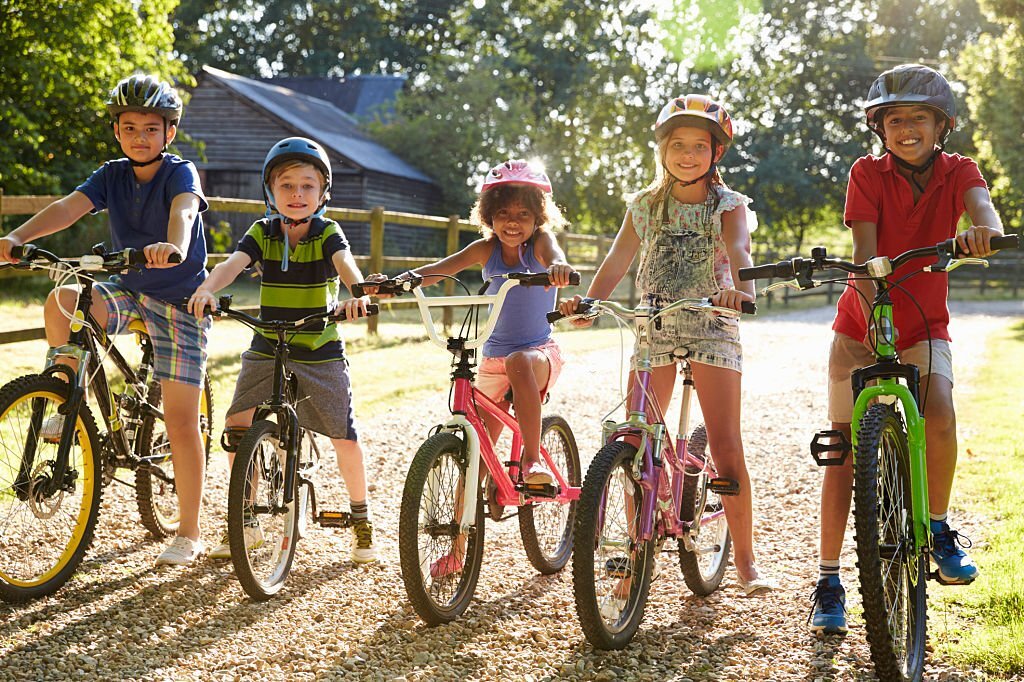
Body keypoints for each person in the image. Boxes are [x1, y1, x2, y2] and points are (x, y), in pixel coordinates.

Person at [809, 64, 1005, 635]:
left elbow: (983, 210)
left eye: (918, 117)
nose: (906, 128)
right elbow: (867, 252)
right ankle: (827, 577)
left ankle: (939, 527)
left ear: (941, 125)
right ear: (880, 128)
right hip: (859, 324)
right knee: (843, 449)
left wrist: (983, 233)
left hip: (924, 323)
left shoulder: (959, 170)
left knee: (939, 410)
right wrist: (873, 309)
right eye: (894, 120)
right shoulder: (865, 173)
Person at [559, 94, 772, 596]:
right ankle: (632, 557)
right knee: (637, 442)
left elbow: (740, 252)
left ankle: (745, 558)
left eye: (699, 146)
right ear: (662, 149)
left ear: (715, 153)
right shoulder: (645, 205)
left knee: (724, 443)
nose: (688, 155)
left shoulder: (729, 206)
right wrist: (590, 303)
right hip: (654, 325)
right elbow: (616, 261)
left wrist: (743, 292)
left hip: (712, 322)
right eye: (678, 145)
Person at [0, 74, 211, 566]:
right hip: (130, 289)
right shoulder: (111, 174)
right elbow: (67, 209)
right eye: (129, 127)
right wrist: (13, 241)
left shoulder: (181, 174)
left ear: (169, 133)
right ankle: (63, 391)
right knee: (64, 298)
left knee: (181, 420)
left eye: (151, 128)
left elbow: (183, 213)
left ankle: (190, 530)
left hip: (179, 300)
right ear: (116, 131)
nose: (140, 136)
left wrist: (173, 246)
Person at [187, 137, 377, 564]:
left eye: (308, 186)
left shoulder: (328, 231)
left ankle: (362, 519)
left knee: (343, 434)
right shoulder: (263, 232)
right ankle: (246, 517)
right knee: (237, 424)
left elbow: (347, 265)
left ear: (323, 193)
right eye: (286, 185)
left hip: (319, 346)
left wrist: (357, 294)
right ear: (270, 191)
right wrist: (206, 289)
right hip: (268, 342)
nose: (296, 195)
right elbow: (231, 265)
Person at [376, 159, 576, 488]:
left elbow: (555, 256)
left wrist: (558, 268)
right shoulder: (485, 249)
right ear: (489, 216)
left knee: (519, 362)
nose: (513, 223)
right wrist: (396, 284)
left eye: (523, 214)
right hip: (495, 358)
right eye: (503, 214)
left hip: (538, 353)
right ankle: (459, 527)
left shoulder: (540, 243)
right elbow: (437, 271)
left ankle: (532, 460)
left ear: (537, 217)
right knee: (477, 460)